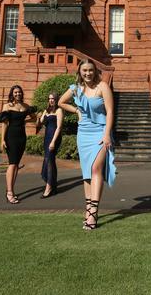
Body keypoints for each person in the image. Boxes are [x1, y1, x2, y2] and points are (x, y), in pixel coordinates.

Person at [59, 59, 117, 230]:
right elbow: (62, 102)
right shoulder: (75, 88)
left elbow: (111, 111)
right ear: (80, 71)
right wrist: (76, 110)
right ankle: (88, 208)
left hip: (100, 132)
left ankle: (93, 212)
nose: (88, 73)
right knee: (87, 173)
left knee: (95, 169)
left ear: (95, 71)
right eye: (84, 70)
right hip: (83, 133)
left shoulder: (103, 87)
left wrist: (107, 134)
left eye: (91, 70)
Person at [0, 85, 36, 204]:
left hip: (22, 137)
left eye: (19, 92)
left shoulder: (25, 106)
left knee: (16, 164)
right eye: (15, 92)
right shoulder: (7, 106)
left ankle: (11, 189)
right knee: (12, 164)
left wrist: (25, 121)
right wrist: (2, 139)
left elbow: (34, 118)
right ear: (12, 94)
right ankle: (9, 193)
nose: (17, 94)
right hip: (11, 137)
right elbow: (4, 124)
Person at [38, 92, 63, 198]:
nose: (51, 100)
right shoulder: (46, 110)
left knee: (48, 160)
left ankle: (48, 188)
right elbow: (41, 122)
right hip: (46, 138)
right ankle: (53, 186)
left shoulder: (59, 110)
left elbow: (59, 127)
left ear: (56, 100)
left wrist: (53, 141)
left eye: (53, 99)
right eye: (49, 99)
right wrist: (40, 117)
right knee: (50, 161)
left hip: (54, 138)